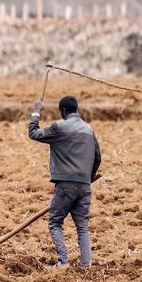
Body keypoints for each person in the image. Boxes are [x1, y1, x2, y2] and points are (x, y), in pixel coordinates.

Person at [28, 95, 101, 269]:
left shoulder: (59, 127)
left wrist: (36, 112)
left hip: (65, 184)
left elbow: (33, 133)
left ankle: (63, 262)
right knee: (82, 226)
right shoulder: (89, 130)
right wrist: (88, 177)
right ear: (76, 110)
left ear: (63, 111)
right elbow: (98, 157)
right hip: (84, 185)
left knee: (55, 222)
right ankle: (85, 264)